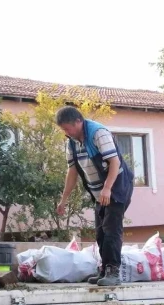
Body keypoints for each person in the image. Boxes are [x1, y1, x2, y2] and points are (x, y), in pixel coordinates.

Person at [56, 106, 134, 286]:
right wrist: (64, 200)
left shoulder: (98, 133)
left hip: (117, 187)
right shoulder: (72, 143)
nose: (66, 132)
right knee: (100, 233)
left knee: (111, 229)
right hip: (99, 193)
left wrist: (108, 188)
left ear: (78, 121)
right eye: (63, 130)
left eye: (68, 128)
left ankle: (113, 272)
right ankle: (104, 270)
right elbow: (72, 171)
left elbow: (114, 162)